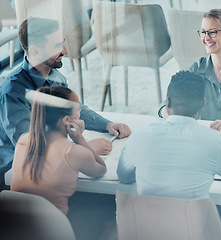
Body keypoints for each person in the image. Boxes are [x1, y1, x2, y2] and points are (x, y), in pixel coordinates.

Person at [118, 71, 221, 240]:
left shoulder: (140, 135)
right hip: (195, 234)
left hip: (149, 232)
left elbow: (124, 177)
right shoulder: (215, 142)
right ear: (202, 104)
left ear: (167, 103)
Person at [0, 17, 131, 190]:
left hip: (53, 162)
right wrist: (82, 149)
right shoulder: (12, 91)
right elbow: (30, 146)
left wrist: (107, 124)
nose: (66, 51)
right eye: (56, 46)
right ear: (35, 51)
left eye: (63, 43)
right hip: (18, 170)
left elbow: (74, 108)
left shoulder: (55, 76)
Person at [11, 86, 116, 240]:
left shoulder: (24, 139)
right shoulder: (73, 152)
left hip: (19, 228)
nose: (80, 114)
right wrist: (79, 139)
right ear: (67, 120)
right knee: (108, 202)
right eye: (78, 110)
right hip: (56, 230)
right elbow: (101, 169)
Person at [159, 9, 221, 133]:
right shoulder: (197, 67)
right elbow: (165, 104)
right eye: (203, 32)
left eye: (212, 32)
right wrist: (173, 119)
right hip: (202, 136)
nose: (206, 38)